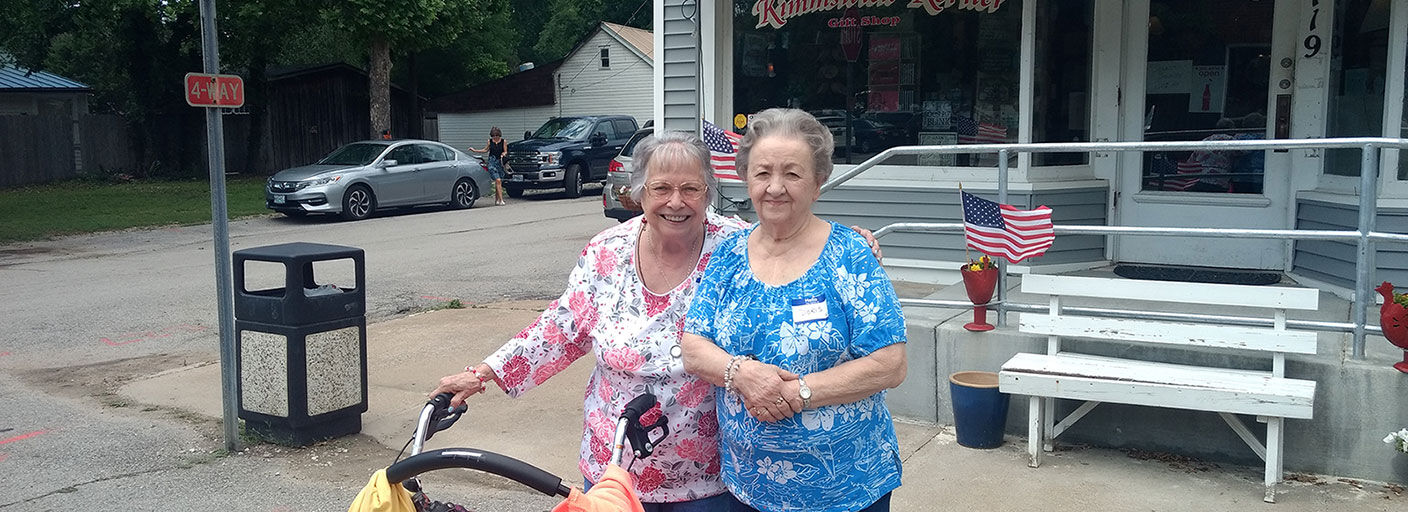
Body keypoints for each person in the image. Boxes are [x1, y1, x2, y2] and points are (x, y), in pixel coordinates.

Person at [681, 108, 908, 512]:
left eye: (792, 173)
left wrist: (797, 392)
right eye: (763, 173)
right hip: (748, 485)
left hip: (845, 488)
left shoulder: (850, 255)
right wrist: (743, 374)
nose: (775, 187)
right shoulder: (728, 254)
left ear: (818, 183)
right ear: (747, 179)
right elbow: (694, 346)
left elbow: (890, 364)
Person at [469, 127, 509, 205]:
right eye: (493, 136)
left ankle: (497, 200)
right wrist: (475, 150)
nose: (495, 137)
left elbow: (505, 151)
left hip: (499, 162)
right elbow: (485, 150)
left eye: (496, 135)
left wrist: (503, 154)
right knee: (498, 180)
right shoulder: (490, 141)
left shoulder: (503, 141)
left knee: (499, 181)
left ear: (499, 135)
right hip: (491, 162)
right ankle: (501, 200)